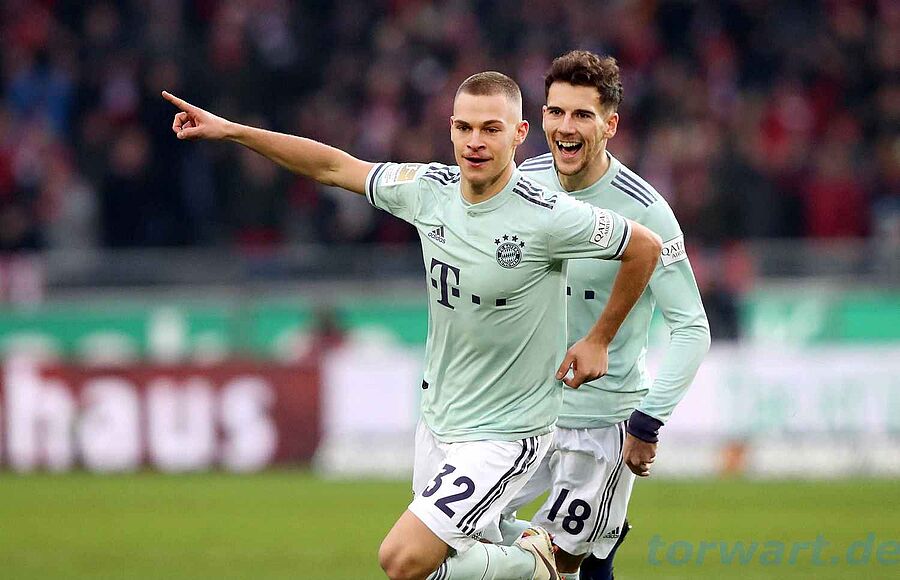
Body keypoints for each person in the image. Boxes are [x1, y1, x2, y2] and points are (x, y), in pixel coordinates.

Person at [163, 70, 662, 580]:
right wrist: (232, 131)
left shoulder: (548, 215)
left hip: (508, 434)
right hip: (438, 423)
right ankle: (537, 556)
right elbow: (334, 166)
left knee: (403, 559)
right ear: (450, 129)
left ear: (518, 134)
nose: (475, 141)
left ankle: (540, 566)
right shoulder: (427, 189)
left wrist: (599, 339)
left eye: (491, 129)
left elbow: (644, 246)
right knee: (441, 571)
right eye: (464, 127)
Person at [499, 51, 711, 580]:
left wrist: (648, 422)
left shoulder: (646, 210)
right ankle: (602, 543)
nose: (565, 128)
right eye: (556, 112)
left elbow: (691, 327)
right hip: (522, 415)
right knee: (461, 533)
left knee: (559, 565)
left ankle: (598, 547)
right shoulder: (522, 181)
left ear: (610, 125)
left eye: (582, 115)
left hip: (602, 424)